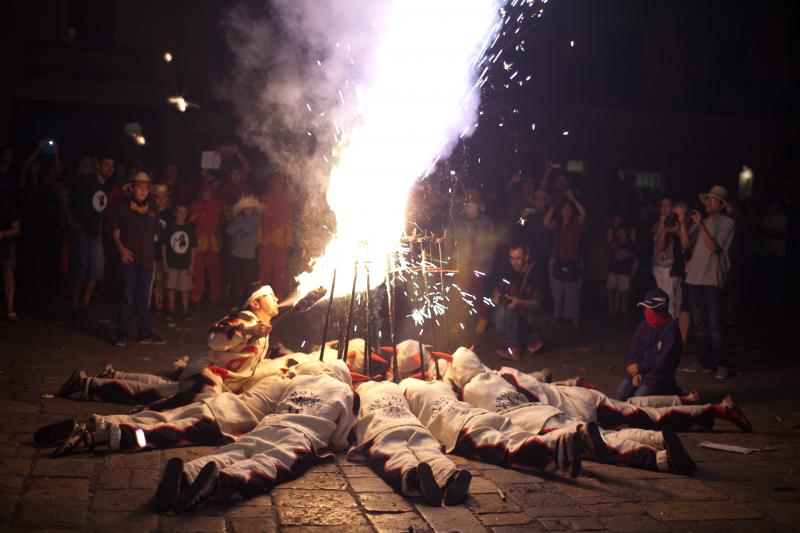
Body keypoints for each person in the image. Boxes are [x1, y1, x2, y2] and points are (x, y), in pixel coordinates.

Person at [158, 360, 355, 513]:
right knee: (266, 463)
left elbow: (280, 404)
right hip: (300, 436)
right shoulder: (345, 390)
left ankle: (188, 473)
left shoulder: (298, 380)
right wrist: (337, 443)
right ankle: (217, 483)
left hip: (271, 424)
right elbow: (340, 437)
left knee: (233, 452)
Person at [55, 284, 280, 408]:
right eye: (271, 295)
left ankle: (112, 375)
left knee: (167, 385)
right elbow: (214, 337)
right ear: (255, 303)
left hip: (209, 373)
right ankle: (87, 386)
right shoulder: (247, 319)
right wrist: (248, 331)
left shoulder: (259, 323)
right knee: (164, 393)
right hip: (206, 373)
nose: (277, 298)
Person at [349, 378, 472, 506]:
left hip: (382, 426)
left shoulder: (358, 393)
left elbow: (351, 418)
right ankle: (450, 475)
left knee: (396, 454)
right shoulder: (395, 387)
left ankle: (415, 477)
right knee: (429, 451)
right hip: (412, 423)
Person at [681, 186, 735, 379]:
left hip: (713, 278)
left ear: (721, 205)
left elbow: (713, 248)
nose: (709, 203)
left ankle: (722, 364)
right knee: (700, 325)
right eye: (708, 199)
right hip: (694, 277)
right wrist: (682, 223)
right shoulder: (700, 223)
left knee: (714, 323)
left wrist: (702, 226)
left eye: (713, 200)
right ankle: (704, 361)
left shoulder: (727, 223)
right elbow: (686, 245)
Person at [111, 172, 165, 347]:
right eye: (139, 187)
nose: (142, 191)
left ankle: (145, 334)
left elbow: (156, 234)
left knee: (143, 298)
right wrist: (121, 249)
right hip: (129, 259)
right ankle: (122, 334)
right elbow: (115, 232)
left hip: (146, 260)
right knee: (127, 297)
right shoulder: (122, 207)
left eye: (146, 188)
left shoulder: (153, 208)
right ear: (132, 188)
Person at [64, 154, 114, 314]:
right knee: (79, 267)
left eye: (112, 166)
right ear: (98, 165)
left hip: (95, 232)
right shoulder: (85, 180)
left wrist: (100, 224)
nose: (110, 169)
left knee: (97, 267)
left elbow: (101, 209)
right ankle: (75, 303)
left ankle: (85, 301)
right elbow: (64, 196)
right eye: (106, 165)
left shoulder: (106, 187)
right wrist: (70, 221)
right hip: (81, 229)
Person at [617, 289, 683, 400]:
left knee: (639, 398)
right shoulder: (644, 325)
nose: (646, 312)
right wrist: (635, 372)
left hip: (659, 376)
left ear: (660, 310)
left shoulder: (671, 329)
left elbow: (664, 362)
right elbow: (634, 350)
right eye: (645, 308)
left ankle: (669, 390)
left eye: (649, 309)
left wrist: (640, 368)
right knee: (622, 393)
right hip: (642, 371)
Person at [450, 189, 495, 333]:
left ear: (478, 206)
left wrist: (486, 266)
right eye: (467, 205)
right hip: (462, 264)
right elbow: (453, 241)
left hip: (478, 265)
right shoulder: (459, 221)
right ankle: (460, 321)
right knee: (460, 294)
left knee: (478, 294)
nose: (469, 208)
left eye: (472, 205)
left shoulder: (486, 222)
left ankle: (483, 318)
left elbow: (491, 246)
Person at [491, 242, 543, 360]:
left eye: (518, 258)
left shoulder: (535, 271)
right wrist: (496, 295)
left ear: (526, 256)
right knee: (500, 318)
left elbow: (537, 303)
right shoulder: (510, 269)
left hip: (536, 315)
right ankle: (531, 340)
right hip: (519, 312)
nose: (515, 262)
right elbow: (498, 288)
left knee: (509, 309)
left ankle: (514, 348)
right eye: (512, 258)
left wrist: (519, 302)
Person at [544, 189, 586, 326]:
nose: (566, 210)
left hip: (573, 260)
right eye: (564, 208)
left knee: (573, 291)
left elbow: (584, 214)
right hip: (558, 259)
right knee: (558, 290)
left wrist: (573, 200)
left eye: (569, 208)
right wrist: (553, 206)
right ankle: (557, 315)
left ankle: (574, 317)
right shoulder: (557, 225)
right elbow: (545, 223)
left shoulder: (576, 224)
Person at [258, 175, 294, 298]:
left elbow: (289, 221)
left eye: (279, 186)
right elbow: (260, 219)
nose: (277, 188)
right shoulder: (264, 199)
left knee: (279, 270)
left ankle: (278, 296)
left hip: (280, 242)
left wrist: (288, 240)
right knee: (265, 269)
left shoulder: (286, 202)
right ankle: (263, 297)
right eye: (275, 185)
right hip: (267, 240)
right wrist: (260, 238)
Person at [189, 183, 223, 303]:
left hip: (213, 242)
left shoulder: (217, 204)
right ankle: (195, 295)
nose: (207, 195)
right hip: (200, 242)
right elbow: (188, 220)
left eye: (209, 192)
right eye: (204, 192)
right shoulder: (195, 205)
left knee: (215, 271)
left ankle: (216, 296)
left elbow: (223, 219)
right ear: (201, 193)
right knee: (198, 270)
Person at [161, 204, 196, 320]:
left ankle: (185, 310)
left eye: (184, 212)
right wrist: (165, 263)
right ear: (175, 213)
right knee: (171, 287)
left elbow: (193, 248)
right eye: (179, 212)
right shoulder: (169, 228)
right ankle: (171, 310)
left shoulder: (189, 229)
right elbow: (164, 246)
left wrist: (191, 265)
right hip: (171, 263)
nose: (182, 215)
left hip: (185, 264)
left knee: (184, 288)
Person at [226, 196, 262, 305]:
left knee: (246, 281)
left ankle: (245, 303)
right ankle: (234, 304)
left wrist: (242, 226)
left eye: (249, 208)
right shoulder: (238, 219)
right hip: (237, 253)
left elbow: (255, 232)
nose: (248, 210)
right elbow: (229, 231)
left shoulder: (257, 220)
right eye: (246, 208)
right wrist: (238, 224)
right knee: (235, 280)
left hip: (249, 254)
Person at [606, 224, 636, 317]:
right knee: (610, 290)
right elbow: (611, 253)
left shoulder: (630, 243)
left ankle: (624, 312)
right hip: (613, 269)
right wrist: (616, 251)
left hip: (624, 271)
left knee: (624, 292)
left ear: (626, 233)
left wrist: (626, 254)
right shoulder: (615, 242)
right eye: (619, 232)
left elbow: (633, 255)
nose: (620, 233)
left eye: (622, 232)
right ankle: (611, 311)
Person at [151, 184, 172, 315]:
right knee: (150, 279)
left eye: (163, 198)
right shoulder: (149, 211)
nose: (160, 200)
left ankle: (158, 304)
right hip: (150, 252)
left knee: (161, 280)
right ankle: (148, 304)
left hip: (163, 254)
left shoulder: (169, 214)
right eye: (158, 197)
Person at [0, 196, 21, 320]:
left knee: (8, 272)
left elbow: (17, 229)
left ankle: (10, 307)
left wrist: (2, 234)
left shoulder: (6, 204)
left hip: (5, 244)